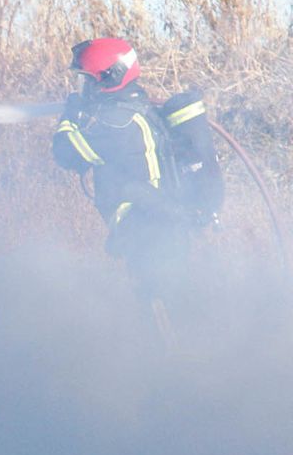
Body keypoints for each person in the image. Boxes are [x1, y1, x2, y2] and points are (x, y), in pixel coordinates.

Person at [51, 37, 224, 305]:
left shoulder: (119, 124)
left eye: (88, 81)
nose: (83, 88)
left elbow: (66, 152)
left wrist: (70, 116)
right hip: (162, 229)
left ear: (111, 78)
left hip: (153, 235)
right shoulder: (137, 113)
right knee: (168, 308)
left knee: (163, 315)